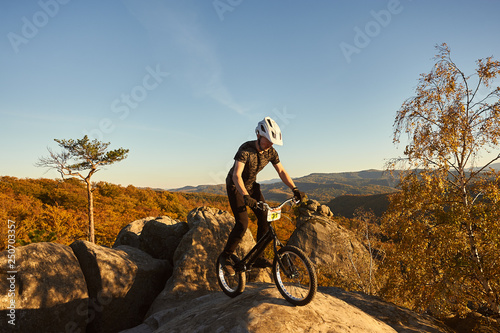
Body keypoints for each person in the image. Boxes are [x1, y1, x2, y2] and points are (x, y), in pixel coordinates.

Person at [220, 116, 303, 275]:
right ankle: (226, 256)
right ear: (259, 135)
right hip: (236, 187)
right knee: (242, 223)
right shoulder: (245, 149)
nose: (270, 145)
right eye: (267, 141)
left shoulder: (271, 152)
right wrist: (245, 196)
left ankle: (258, 257)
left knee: (265, 218)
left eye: (272, 142)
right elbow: (236, 176)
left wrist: (295, 188)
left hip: (252, 186)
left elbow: (281, 171)